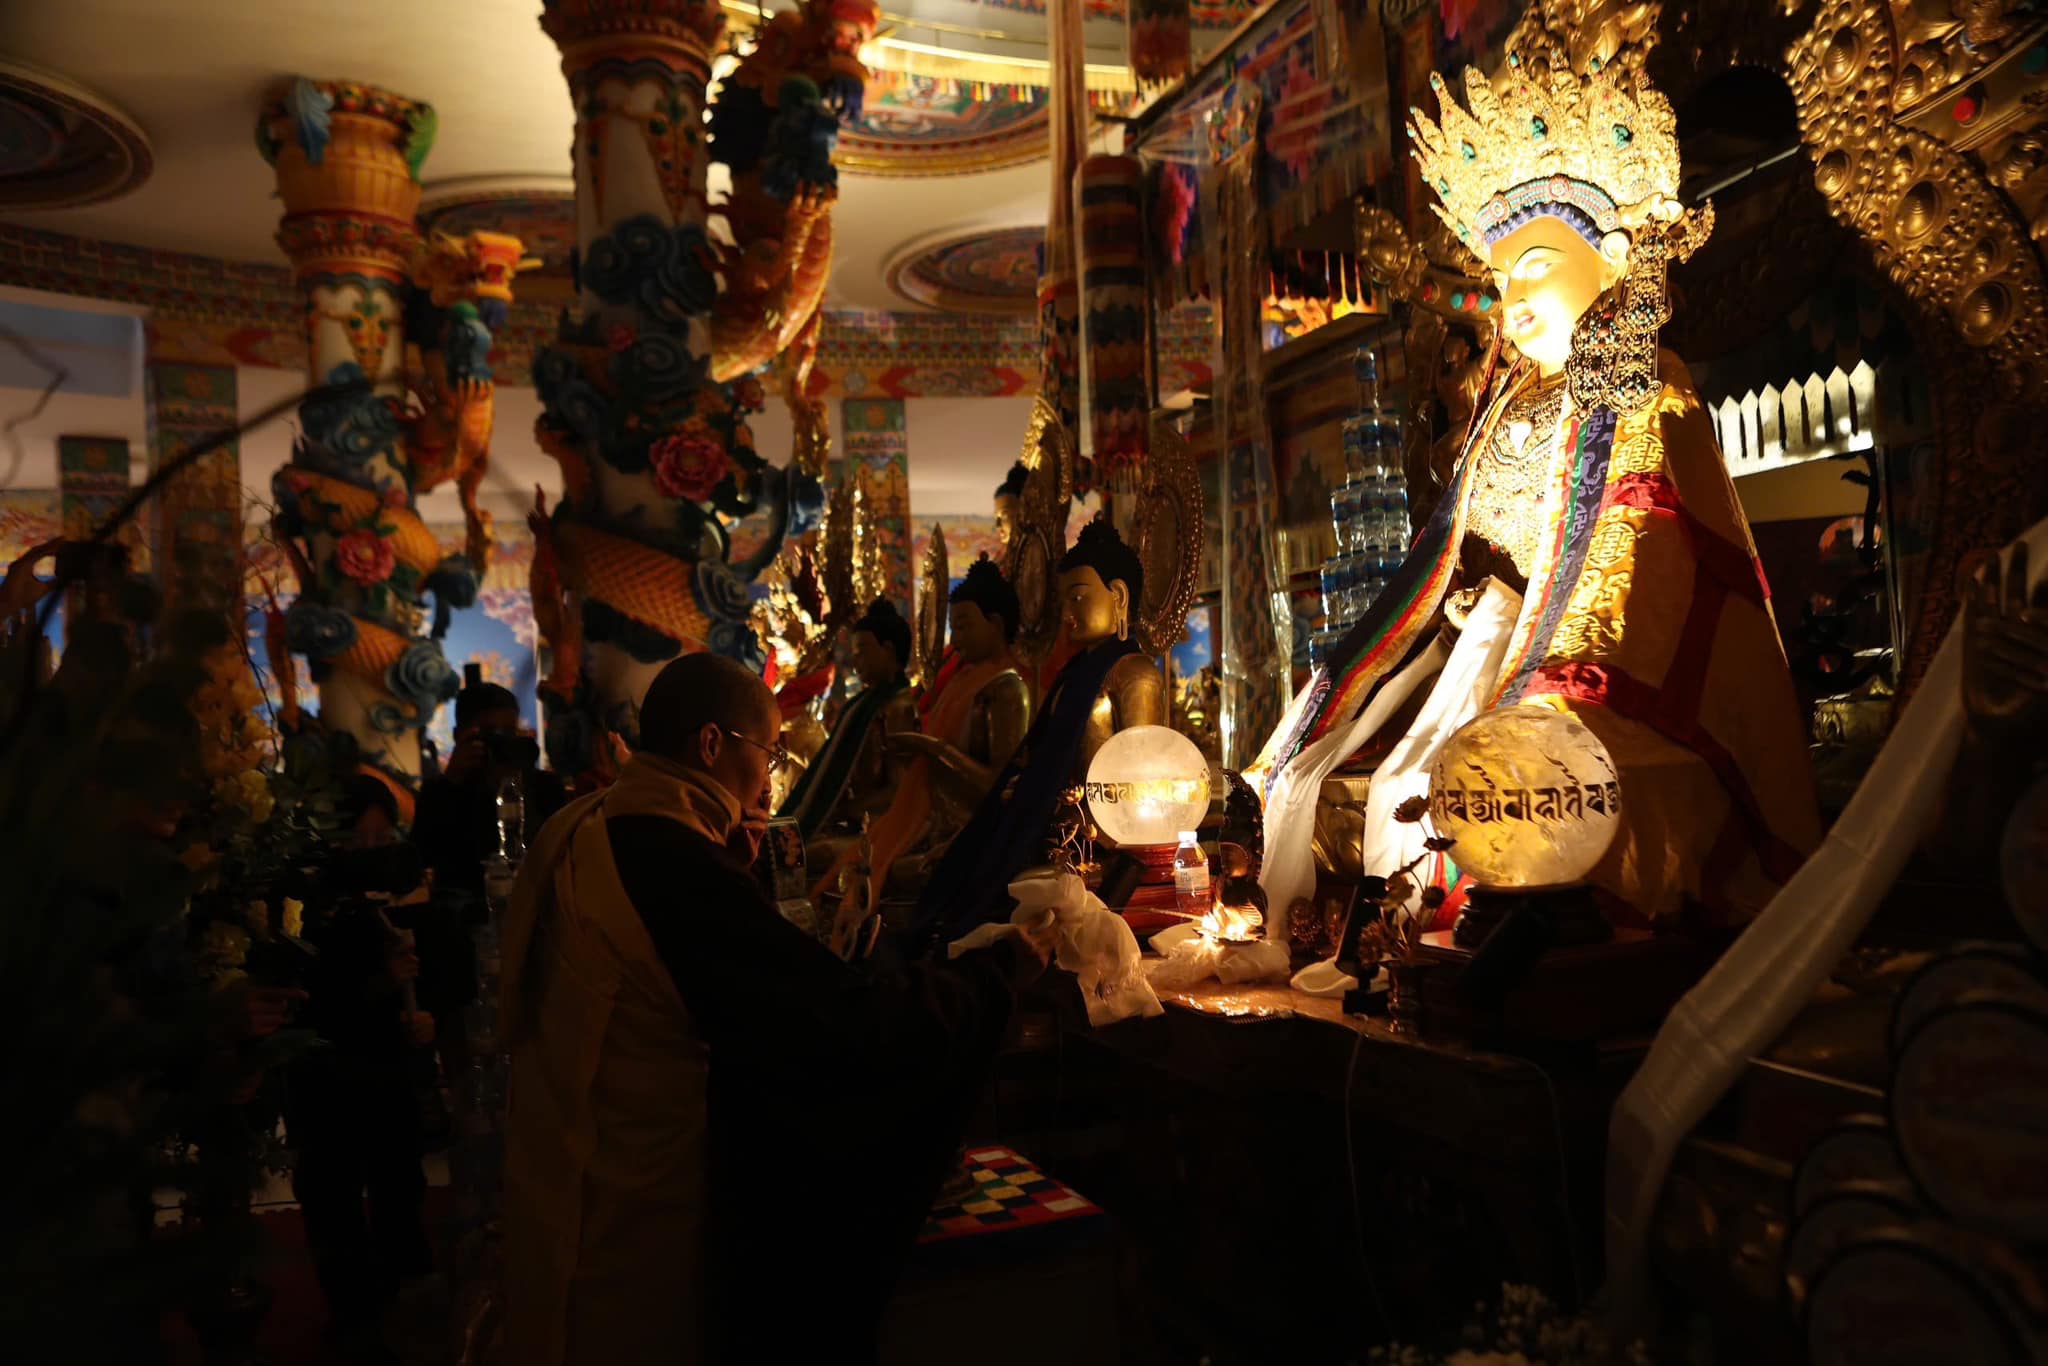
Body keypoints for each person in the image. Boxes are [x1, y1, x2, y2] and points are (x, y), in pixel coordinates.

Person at [1249, 37, 1820, 929]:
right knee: (1337, 771)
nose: (1512, 296)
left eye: (1539, 265)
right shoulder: (1503, 404)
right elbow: (1452, 555)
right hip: (1487, 650)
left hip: (1617, 672)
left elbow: (1639, 560)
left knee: (1491, 786)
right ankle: (1386, 925)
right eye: (1503, 275)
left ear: (1616, 257)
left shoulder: (1646, 392)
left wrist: (1545, 685)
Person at [499, 652, 1053, 1366]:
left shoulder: (599, 824)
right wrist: (993, 977)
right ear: (711, 745)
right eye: (768, 753)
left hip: (563, 1165)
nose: (770, 779)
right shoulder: (671, 859)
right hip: (632, 1212)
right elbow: (836, 1027)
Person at [914, 515, 1166, 943]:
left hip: (1097, 843)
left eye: (1078, 597)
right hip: (1052, 829)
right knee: (957, 871)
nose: (1067, 614)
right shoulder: (1074, 674)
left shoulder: (1133, 673)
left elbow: (1141, 788)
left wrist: (1072, 820)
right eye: (1063, 601)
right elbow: (1036, 759)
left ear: (1119, 596)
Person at [287, 775, 439, 1361]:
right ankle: (356, 1320)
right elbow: (315, 1005)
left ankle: (405, 1306)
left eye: (382, 842)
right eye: (360, 843)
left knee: (399, 1183)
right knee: (336, 1206)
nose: (373, 856)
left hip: (385, 1073)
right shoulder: (304, 908)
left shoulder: (379, 904)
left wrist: (417, 1015)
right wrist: (382, 983)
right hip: (328, 1084)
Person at [813, 554, 1032, 945]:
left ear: (996, 624)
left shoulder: (1008, 689)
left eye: (963, 626)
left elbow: (998, 786)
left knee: (868, 870)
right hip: (928, 821)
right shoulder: (963, 681)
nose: (955, 640)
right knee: (836, 860)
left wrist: (928, 748)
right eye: (953, 628)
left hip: (965, 829)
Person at [410, 673, 564, 1071]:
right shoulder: (444, 792)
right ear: (462, 736)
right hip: (464, 951)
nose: (502, 743)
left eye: (509, 732)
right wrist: (453, 780)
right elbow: (421, 856)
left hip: (533, 935)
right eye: (490, 734)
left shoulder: (542, 787)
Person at [775, 597, 919, 846]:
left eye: (862, 652)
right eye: (853, 654)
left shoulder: (898, 707)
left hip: (883, 828)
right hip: (855, 820)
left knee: (808, 855)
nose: (854, 662)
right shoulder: (861, 705)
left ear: (888, 650)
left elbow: (901, 790)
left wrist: (845, 809)